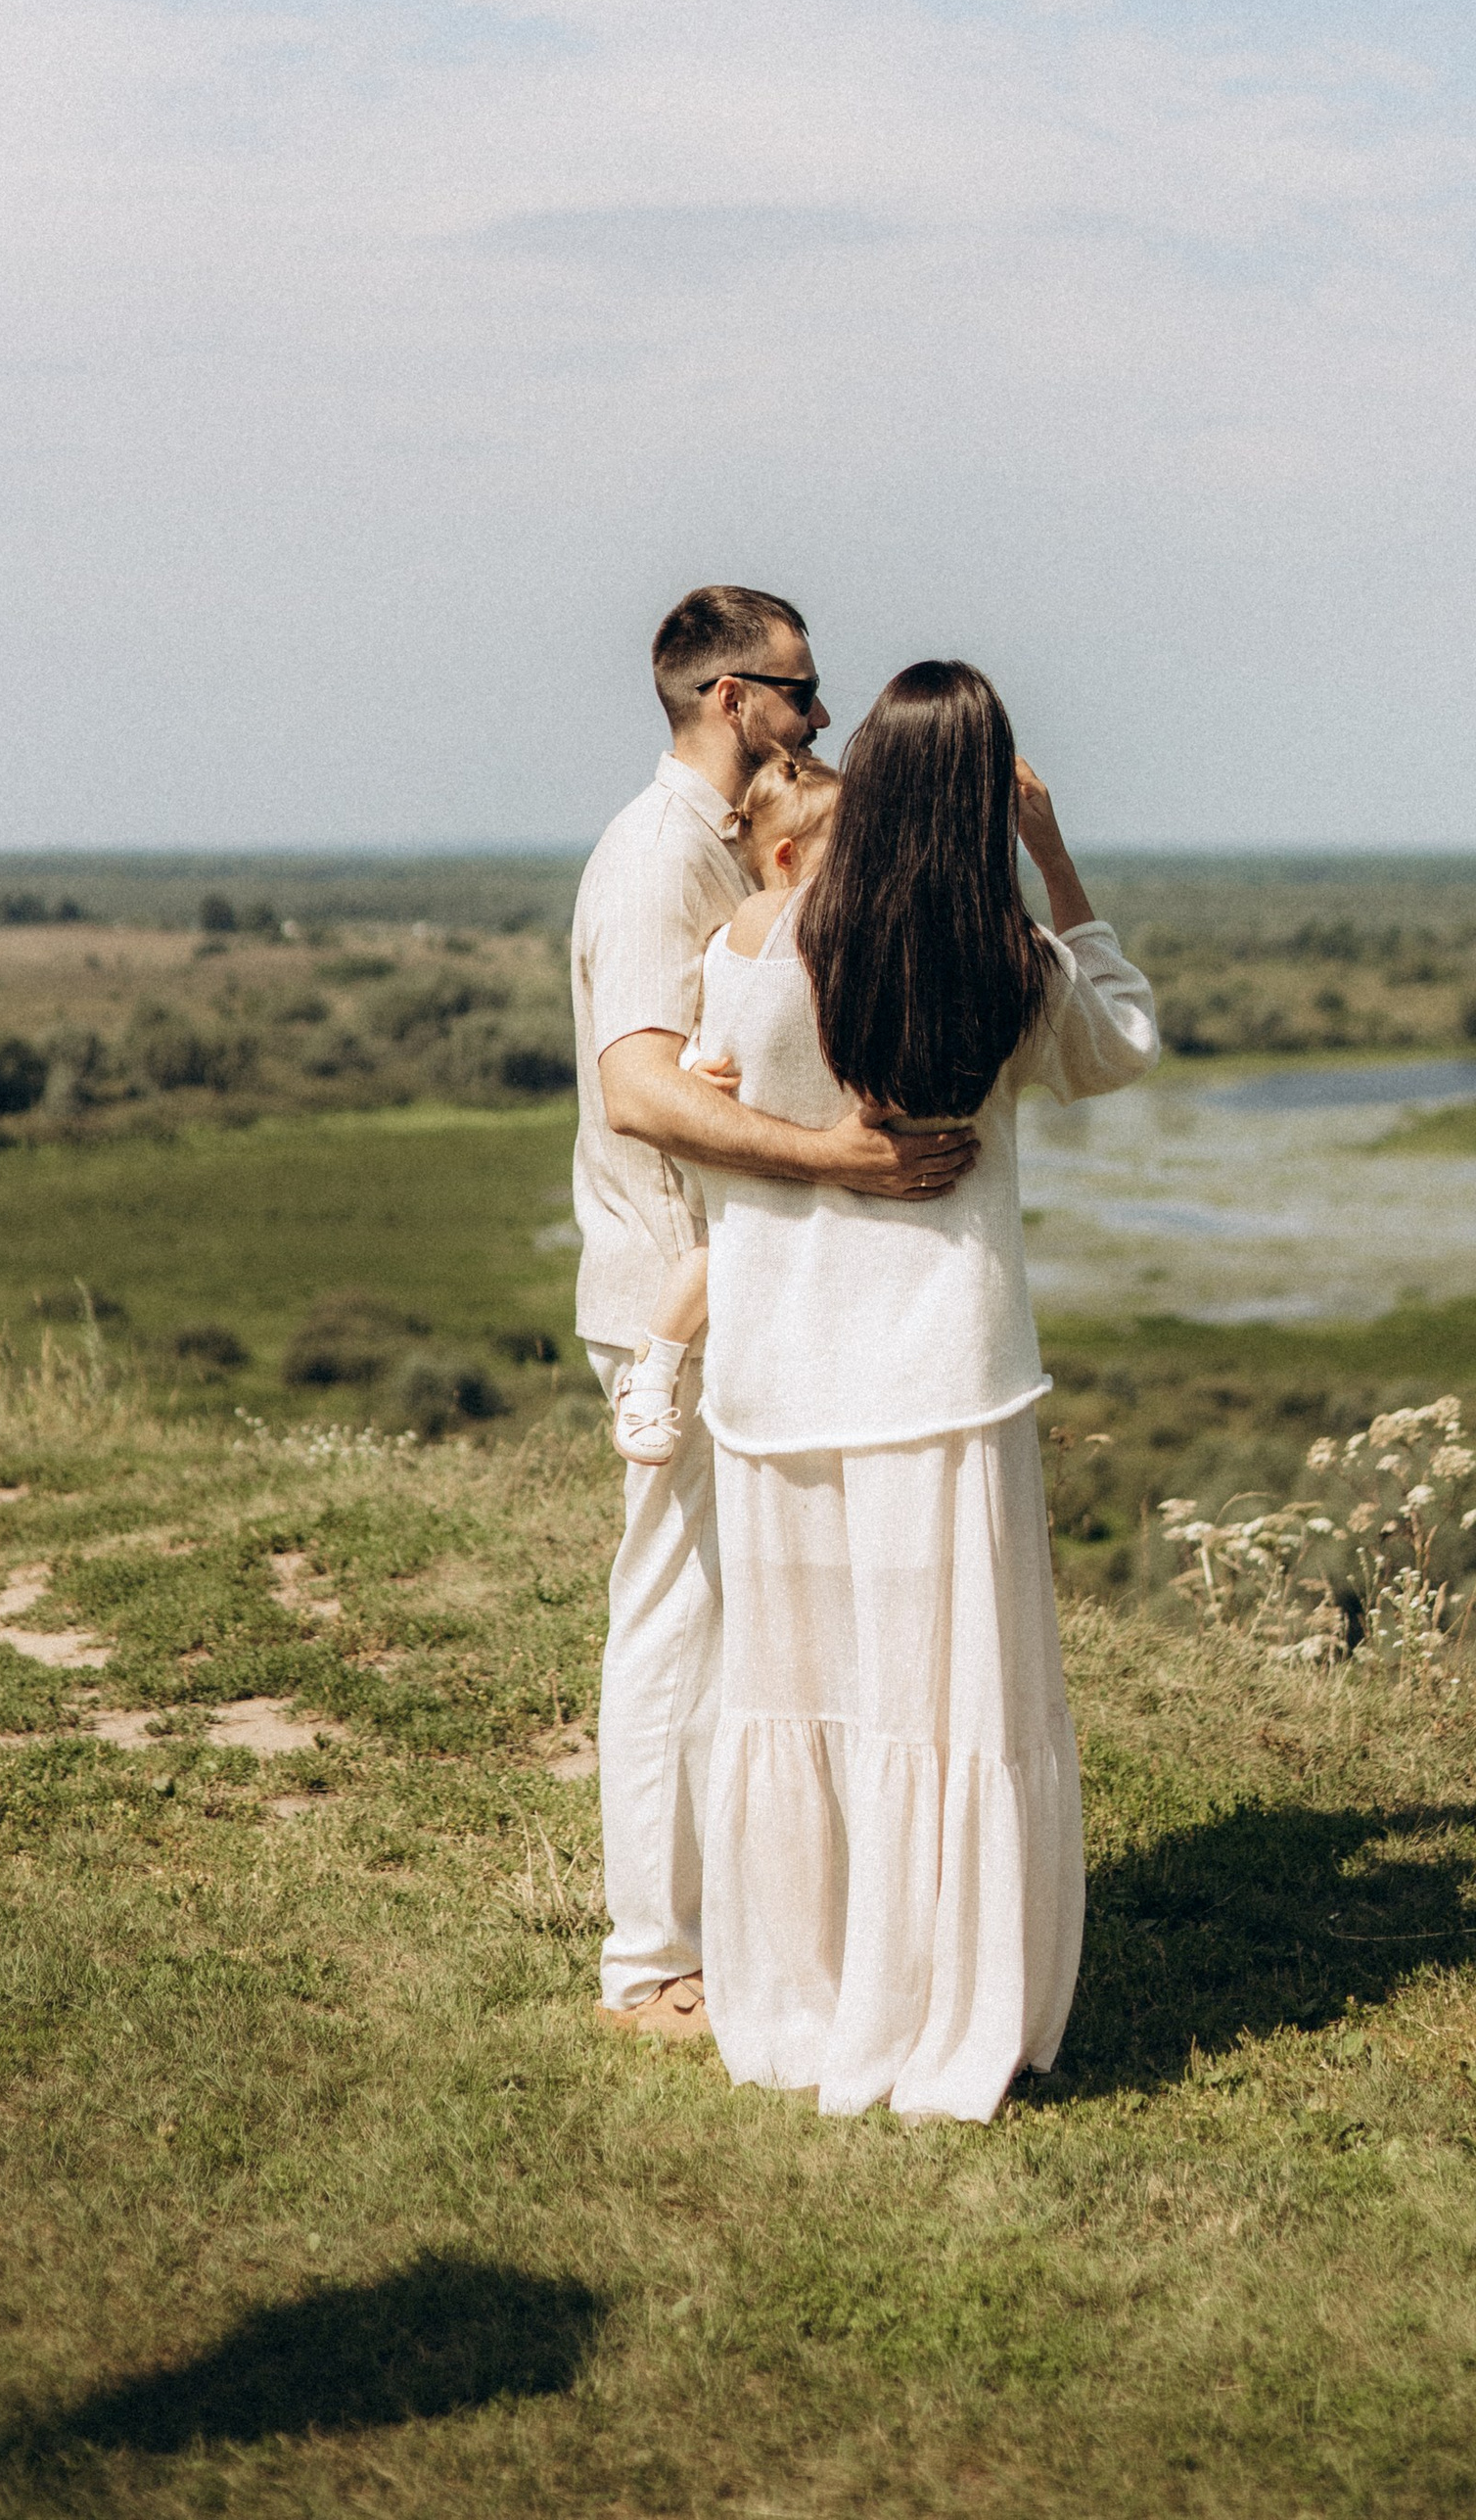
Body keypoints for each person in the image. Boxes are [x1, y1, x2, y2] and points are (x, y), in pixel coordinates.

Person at [691, 661, 1158, 2122]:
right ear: (981, 798)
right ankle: (948, 2006)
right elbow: (1126, 1044)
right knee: (943, 1704)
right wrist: (1056, 856)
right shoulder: (1009, 962)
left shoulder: (758, 942)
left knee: (806, 1694)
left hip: (780, 1381)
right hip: (944, 1383)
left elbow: (704, 1114)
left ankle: (809, 1998)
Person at [572, 590, 976, 2045]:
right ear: (734, 698)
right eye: (805, 693)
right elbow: (639, 1087)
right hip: (670, 1278)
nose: (822, 718)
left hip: (742, 1283)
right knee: (676, 1619)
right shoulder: (655, 859)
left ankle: (741, 1932)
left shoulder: (717, 854)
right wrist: (845, 1161)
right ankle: (647, 1958)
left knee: (745, 1626)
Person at [610, 751, 842, 1470]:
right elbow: (696, 1029)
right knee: (714, 1253)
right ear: (785, 855)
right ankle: (652, 1367)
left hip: (787, 1155)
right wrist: (687, 1073)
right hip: (738, 1147)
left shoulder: (827, 940)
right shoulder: (735, 938)